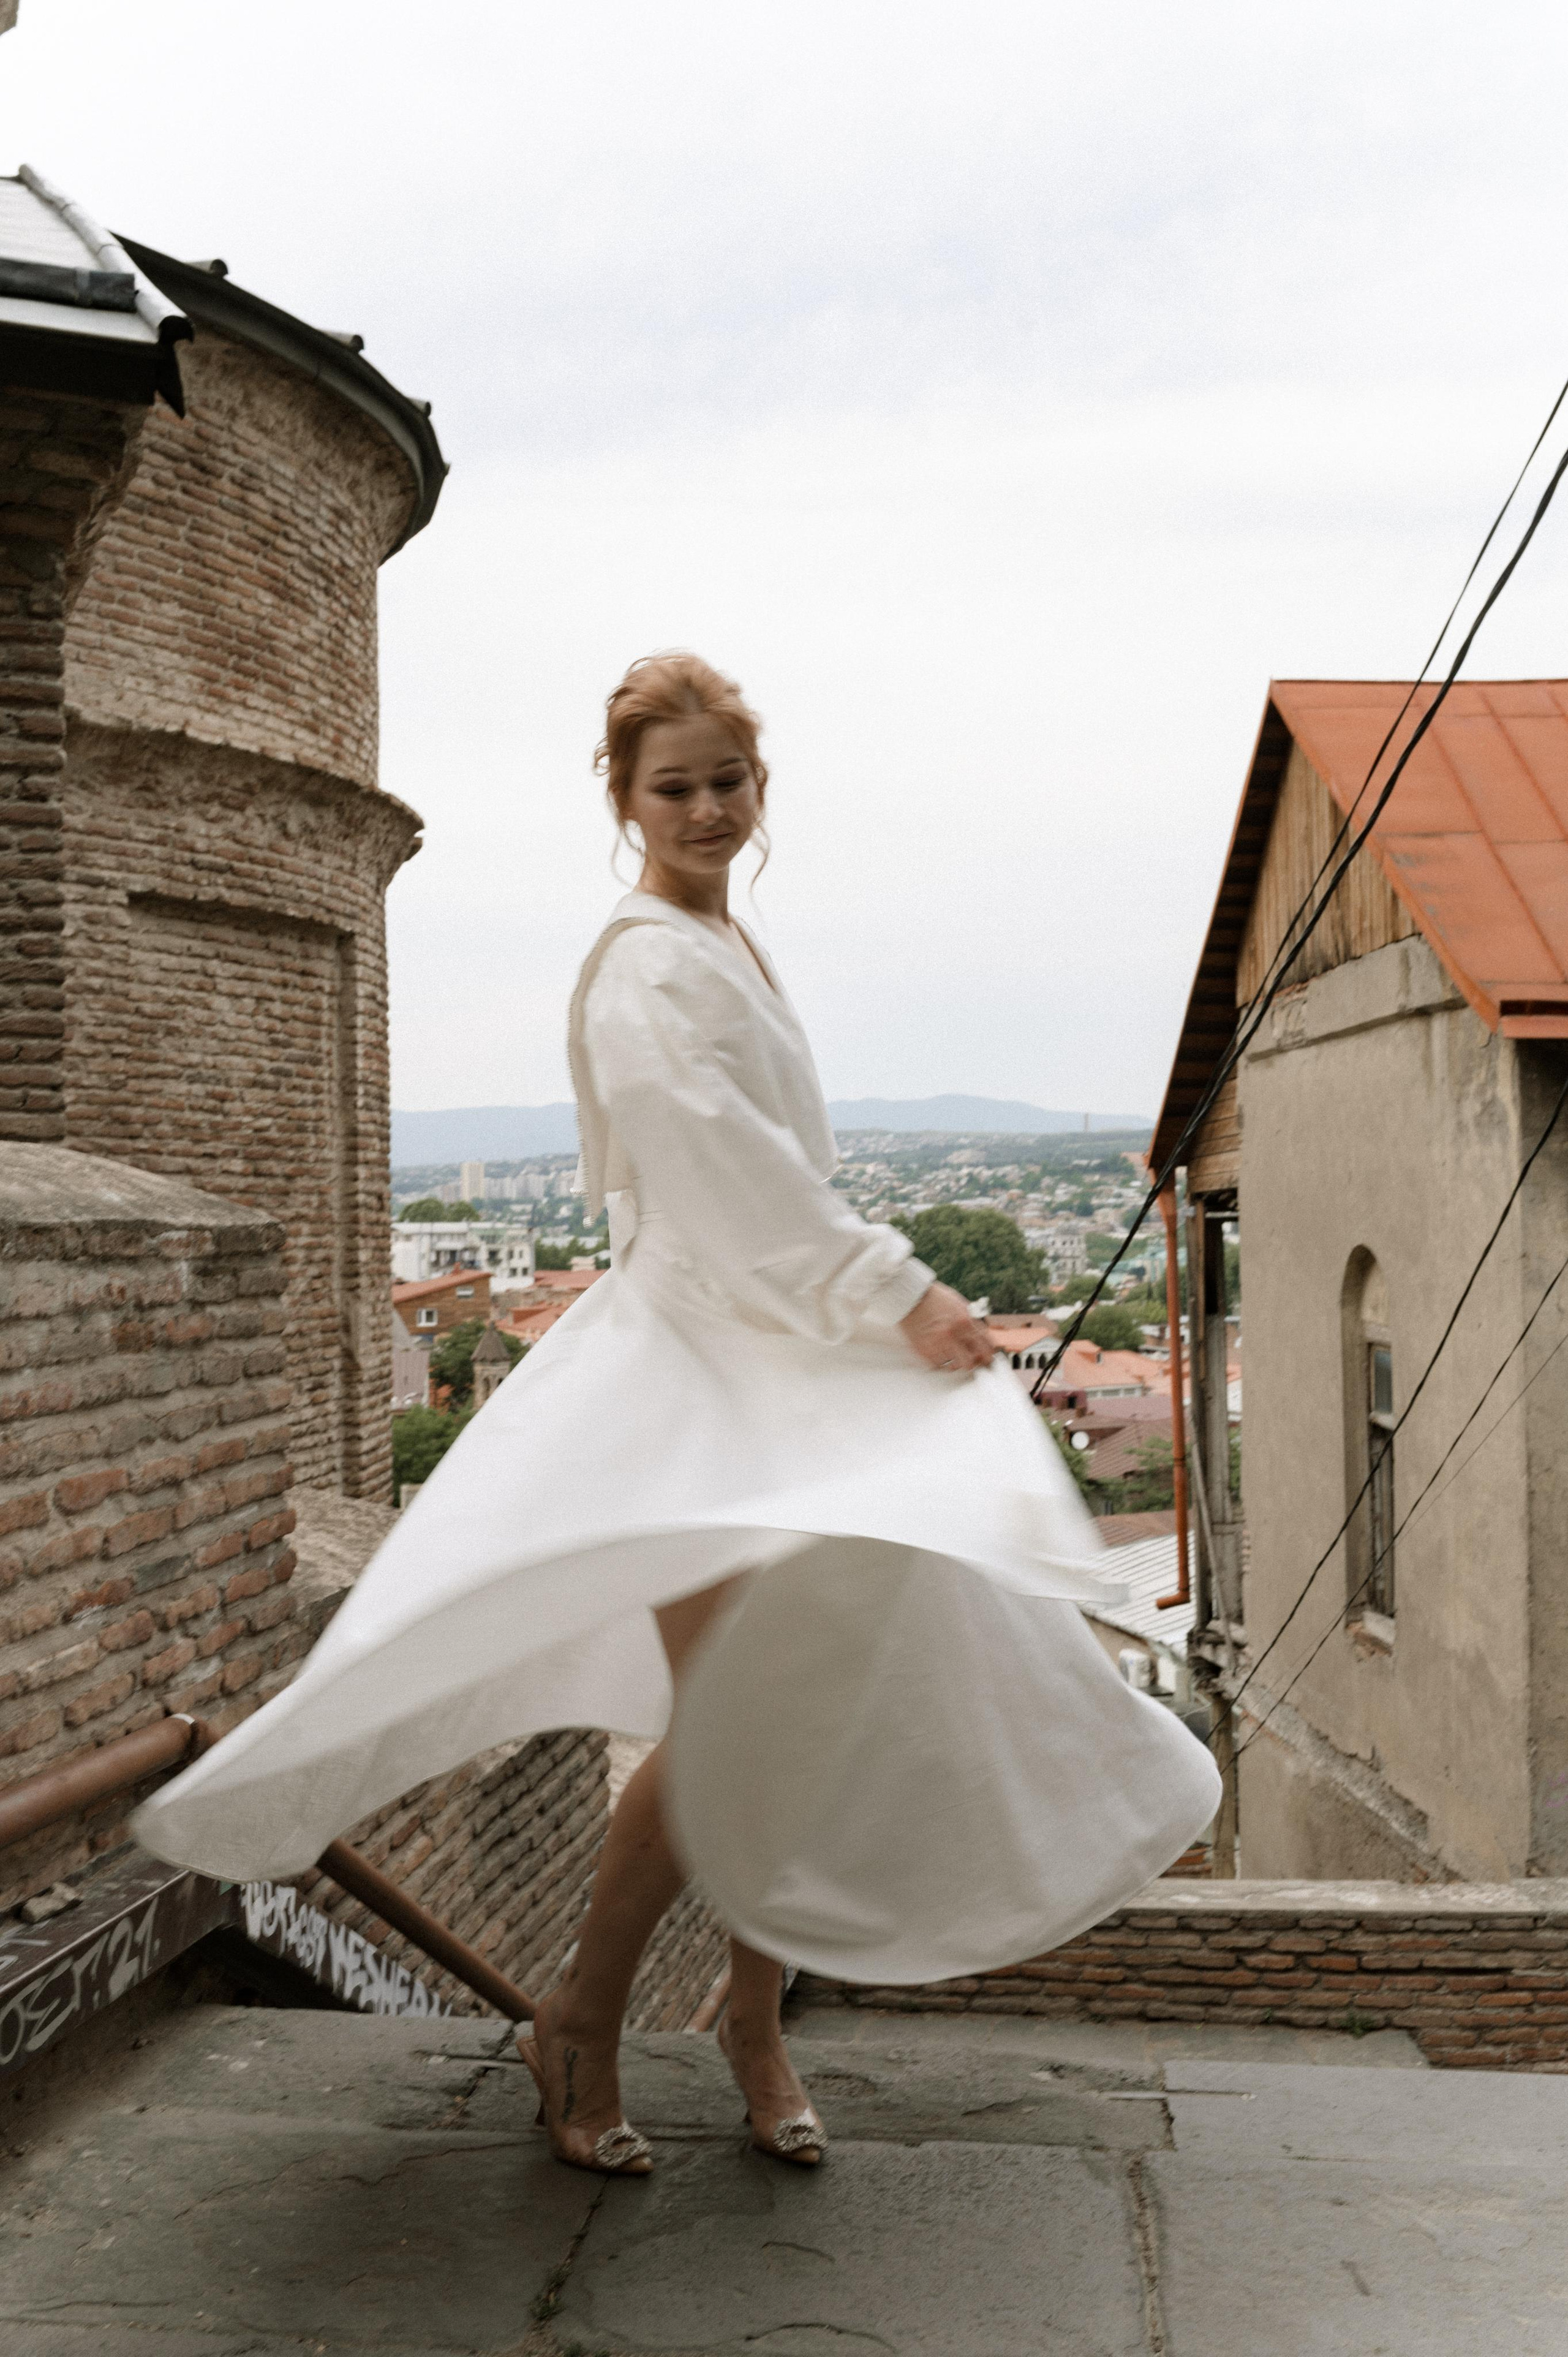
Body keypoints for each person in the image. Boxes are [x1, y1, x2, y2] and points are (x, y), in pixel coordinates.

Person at [135, 653, 1219, 2180]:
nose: (706, 808)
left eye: (727, 781)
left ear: (756, 787)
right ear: (621, 798)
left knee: (819, 1698)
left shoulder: (726, 937)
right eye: (674, 787)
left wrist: (870, 1310)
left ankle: (750, 2016)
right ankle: (580, 2018)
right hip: (704, 1381)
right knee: (737, 1715)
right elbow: (721, 1170)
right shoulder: (645, 965)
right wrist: (895, 1291)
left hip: (781, 1365)